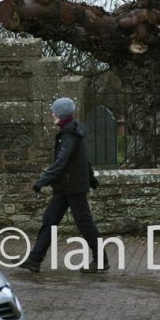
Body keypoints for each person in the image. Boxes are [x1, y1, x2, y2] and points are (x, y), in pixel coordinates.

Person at [19, 97, 107, 274]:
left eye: (54, 112)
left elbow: (61, 161)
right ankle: (35, 259)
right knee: (50, 220)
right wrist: (90, 177)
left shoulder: (69, 134)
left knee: (84, 222)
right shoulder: (69, 132)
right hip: (65, 186)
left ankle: (101, 260)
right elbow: (83, 159)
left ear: (60, 114)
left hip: (72, 186)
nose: (52, 114)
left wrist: (41, 181)